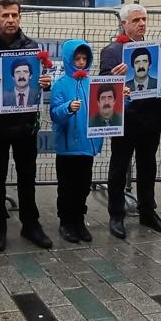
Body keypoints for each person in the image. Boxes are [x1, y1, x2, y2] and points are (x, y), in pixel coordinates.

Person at [0, 0, 53, 251]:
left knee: (28, 175)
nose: (10, 20)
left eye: (14, 15)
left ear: (20, 17)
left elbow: (38, 80)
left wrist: (45, 82)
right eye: (5, 15)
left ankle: (31, 224)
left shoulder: (33, 47)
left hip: (26, 123)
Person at [100, 3, 161, 239]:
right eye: (136, 20)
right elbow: (102, 83)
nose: (142, 23)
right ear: (124, 24)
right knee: (119, 167)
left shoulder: (154, 50)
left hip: (151, 115)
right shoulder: (112, 51)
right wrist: (114, 77)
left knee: (147, 166)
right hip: (126, 118)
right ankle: (116, 214)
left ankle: (147, 211)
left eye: (144, 19)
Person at [50, 40, 104, 244]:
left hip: (87, 147)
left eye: (84, 59)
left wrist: (123, 98)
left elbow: (107, 107)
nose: (81, 63)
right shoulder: (61, 84)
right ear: (68, 60)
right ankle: (65, 221)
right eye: (77, 58)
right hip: (67, 148)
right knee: (66, 187)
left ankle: (79, 219)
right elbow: (55, 114)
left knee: (83, 186)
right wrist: (67, 108)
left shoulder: (94, 84)